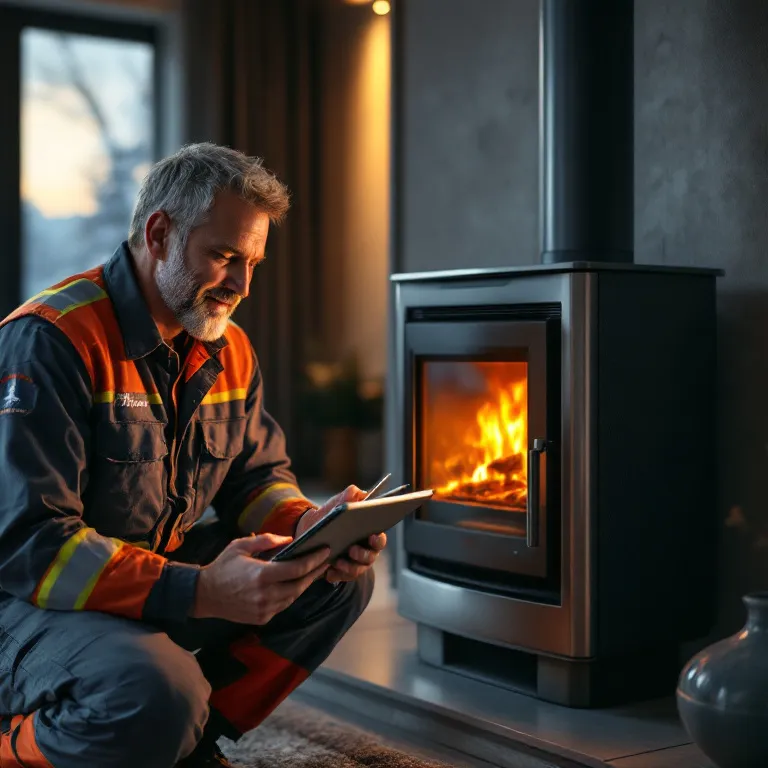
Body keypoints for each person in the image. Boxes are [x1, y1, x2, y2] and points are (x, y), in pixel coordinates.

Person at [0, 142, 386, 768]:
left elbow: (257, 479)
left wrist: (308, 527)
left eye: (253, 262)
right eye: (224, 255)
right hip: (24, 603)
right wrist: (200, 591)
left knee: (336, 580)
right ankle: (19, 744)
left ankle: (188, 744)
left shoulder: (228, 347)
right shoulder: (51, 340)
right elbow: (31, 545)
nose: (241, 284)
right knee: (155, 692)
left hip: (148, 577)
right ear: (159, 234)